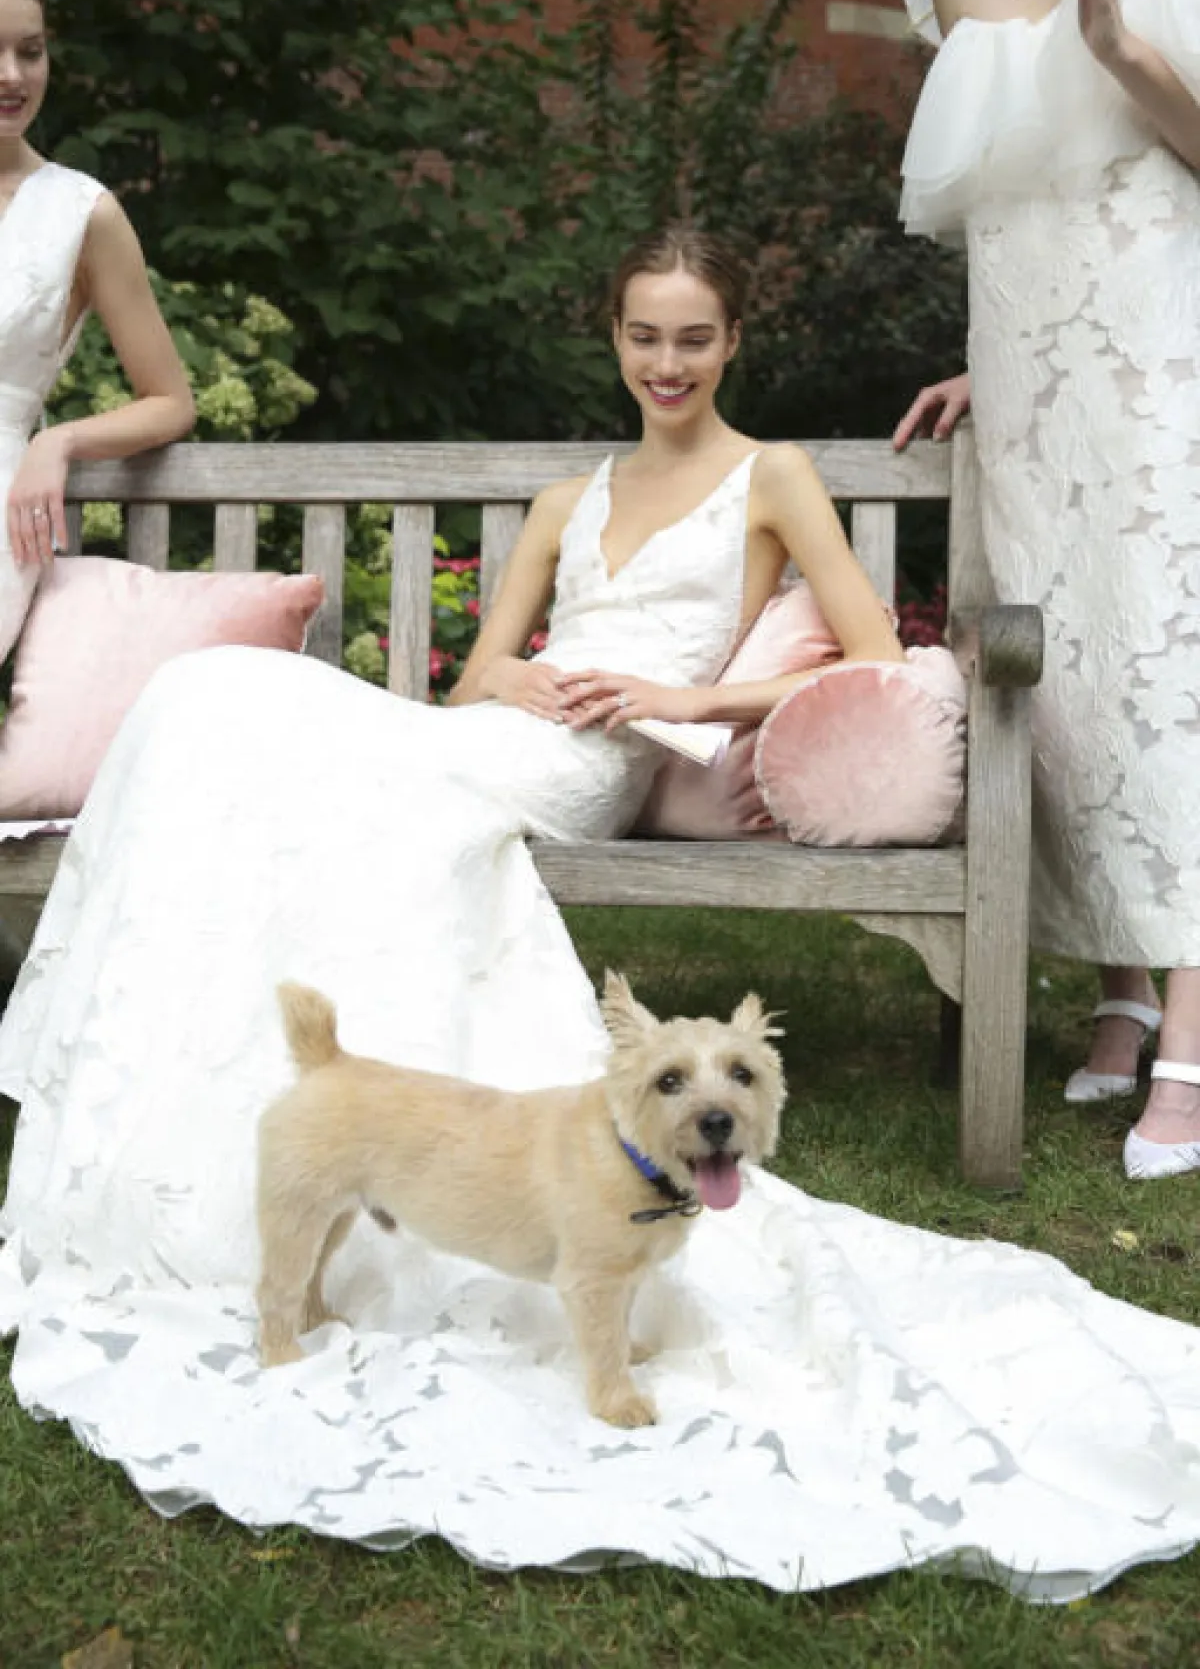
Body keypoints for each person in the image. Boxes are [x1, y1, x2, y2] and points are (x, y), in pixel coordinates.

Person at [1, 222, 1199, 1598]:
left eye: (693, 338)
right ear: (615, 338)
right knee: (210, 695)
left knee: (331, 778)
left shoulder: (774, 477)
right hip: (501, 735)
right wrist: (521, 677)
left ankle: (343, 1134)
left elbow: (872, 654)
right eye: (644, 336)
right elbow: (476, 681)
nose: (666, 362)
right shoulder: (571, 498)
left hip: (592, 767)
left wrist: (683, 697)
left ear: (731, 340)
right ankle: (240, 1135)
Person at [892, 0, 1200, 1179]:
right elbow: (1010, 200)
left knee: (1165, 667)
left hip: (1164, 353)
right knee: (1064, 677)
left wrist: (1122, 46)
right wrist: (993, 367)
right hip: (1026, 364)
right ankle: (1122, 990)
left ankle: (1192, 1033)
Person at [0, 0, 193, 657]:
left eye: (30, 51)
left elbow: (170, 401)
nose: (12, 76)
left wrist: (57, 441)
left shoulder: (81, 213)